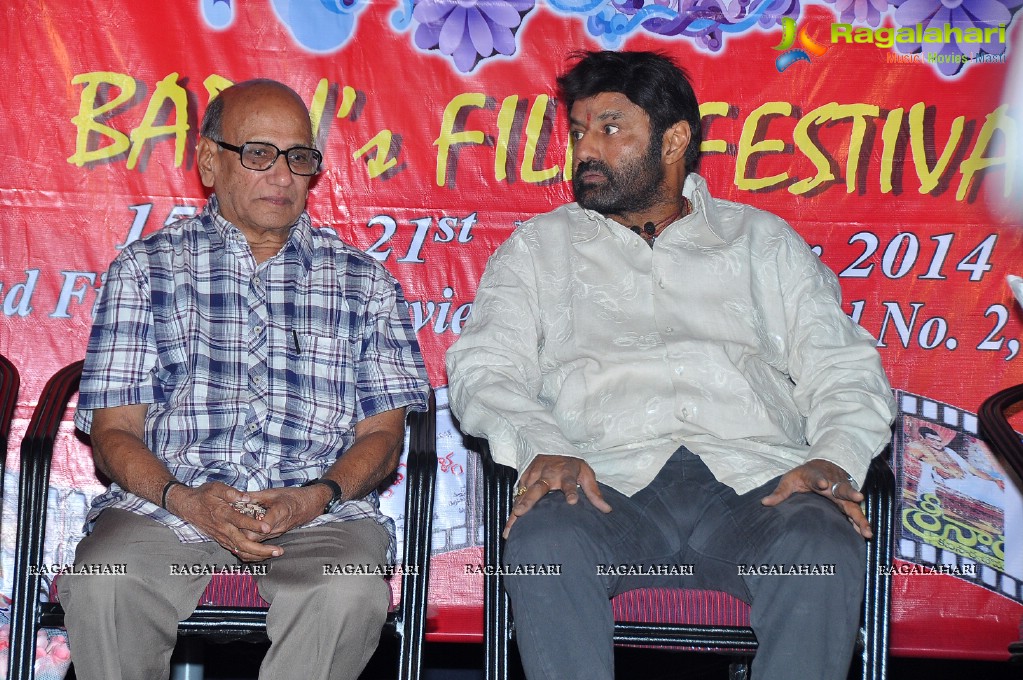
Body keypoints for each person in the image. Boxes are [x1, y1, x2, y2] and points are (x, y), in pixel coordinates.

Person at [446, 51, 896, 680]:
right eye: (578, 132)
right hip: (604, 483)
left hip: (756, 486)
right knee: (545, 542)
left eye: (610, 128)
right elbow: (483, 369)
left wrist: (835, 456)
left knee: (820, 546)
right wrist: (542, 447)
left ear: (676, 138)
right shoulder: (538, 248)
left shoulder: (762, 242)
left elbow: (845, 368)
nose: (585, 151)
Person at [58, 79, 430, 680]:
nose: (283, 176)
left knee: (346, 592)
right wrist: (186, 499)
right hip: (170, 507)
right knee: (107, 585)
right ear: (209, 160)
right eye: (258, 153)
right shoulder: (145, 269)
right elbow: (115, 431)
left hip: (316, 514)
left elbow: (383, 437)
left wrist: (316, 497)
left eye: (300, 158)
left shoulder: (365, 283)